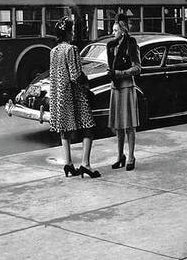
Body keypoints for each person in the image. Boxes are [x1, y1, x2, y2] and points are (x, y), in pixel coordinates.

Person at [49, 17, 100, 179]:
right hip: (74, 94)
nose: (73, 33)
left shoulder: (53, 51)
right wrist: (86, 84)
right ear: (68, 33)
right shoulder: (71, 49)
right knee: (88, 126)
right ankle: (86, 164)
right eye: (71, 30)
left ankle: (68, 163)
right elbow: (75, 75)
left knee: (64, 129)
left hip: (59, 95)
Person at [107, 13, 141, 171]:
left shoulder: (131, 44)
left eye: (115, 30)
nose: (113, 33)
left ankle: (131, 156)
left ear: (123, 30)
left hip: (127, 86)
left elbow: (137, 68)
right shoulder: (112, 46)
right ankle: (120, 156)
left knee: (129, 125)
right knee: (118, 125)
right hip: (116, 87)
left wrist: (120, 73)